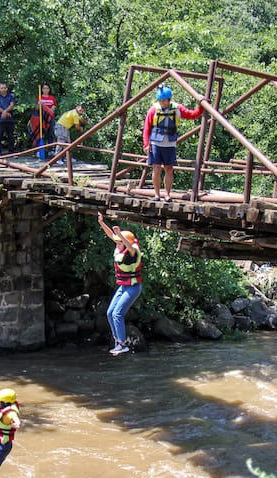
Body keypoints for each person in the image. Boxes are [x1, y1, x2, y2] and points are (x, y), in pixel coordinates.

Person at [142, 85, 203, 202]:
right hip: (155, 143)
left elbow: (193, 115)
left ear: (169, 99)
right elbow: (146, 128)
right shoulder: (153, 109)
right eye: (160, 100)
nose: (161, 102)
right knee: (156, 168)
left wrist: (200, 105)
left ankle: (167, 195)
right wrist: (146, 144)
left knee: (169, 169)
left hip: (170, 144)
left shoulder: (177, 108)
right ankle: (156, 195)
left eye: (163, 100)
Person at [97, 212, 142, 355]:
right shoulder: (119, 247)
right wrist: (102, 223)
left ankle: (123, 345)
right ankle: (117, 341)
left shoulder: (133, 252)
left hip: (134, 287)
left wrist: (121, 236)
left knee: (117, 314)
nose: (117, 243)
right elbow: (111, 235)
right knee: (110, 313)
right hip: (124, 286)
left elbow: (129, 246)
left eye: (120, 241)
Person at [0, 82, 17, 156]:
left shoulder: (11, 96)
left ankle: (11, 152)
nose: (3, 89)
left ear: (7, 88)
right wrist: (4, 112)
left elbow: (11, 105)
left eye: (4, 88)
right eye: (1, 88)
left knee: (11, 136)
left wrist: (5, 112)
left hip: (9, 119)